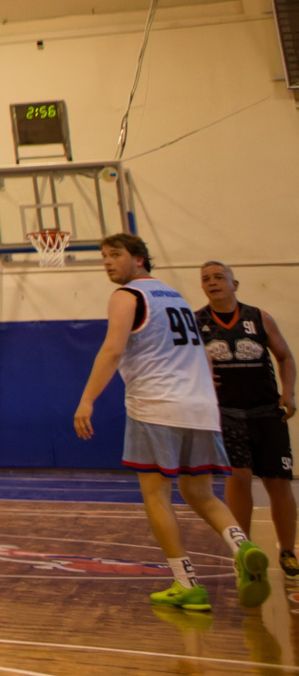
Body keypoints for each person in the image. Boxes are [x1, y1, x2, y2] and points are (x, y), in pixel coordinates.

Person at [75, 233, 269, 610]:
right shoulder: (176, 297)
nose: (107, 263)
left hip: (156, 406)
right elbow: (204, 359)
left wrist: (87, 399)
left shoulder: (127, 296)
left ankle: (186, 584)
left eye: (115, 255)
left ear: (139, 259)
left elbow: (113, 349)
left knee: (156, 495)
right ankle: (242, 546)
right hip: (200, 407)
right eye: (103, 257)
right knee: (200, 493)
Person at [196, 261, 297, 586]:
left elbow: (284, 356)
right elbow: (185, 364)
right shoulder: (197, 322)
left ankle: (288, 550)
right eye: (206, 279)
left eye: (219, 278)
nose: (213, 283)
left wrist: (288, 393)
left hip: (266, 411)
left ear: (234, 283)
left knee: (277, 482)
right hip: (225, 413)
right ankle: (244, 550)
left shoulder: (258, 317)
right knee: (238, 477)